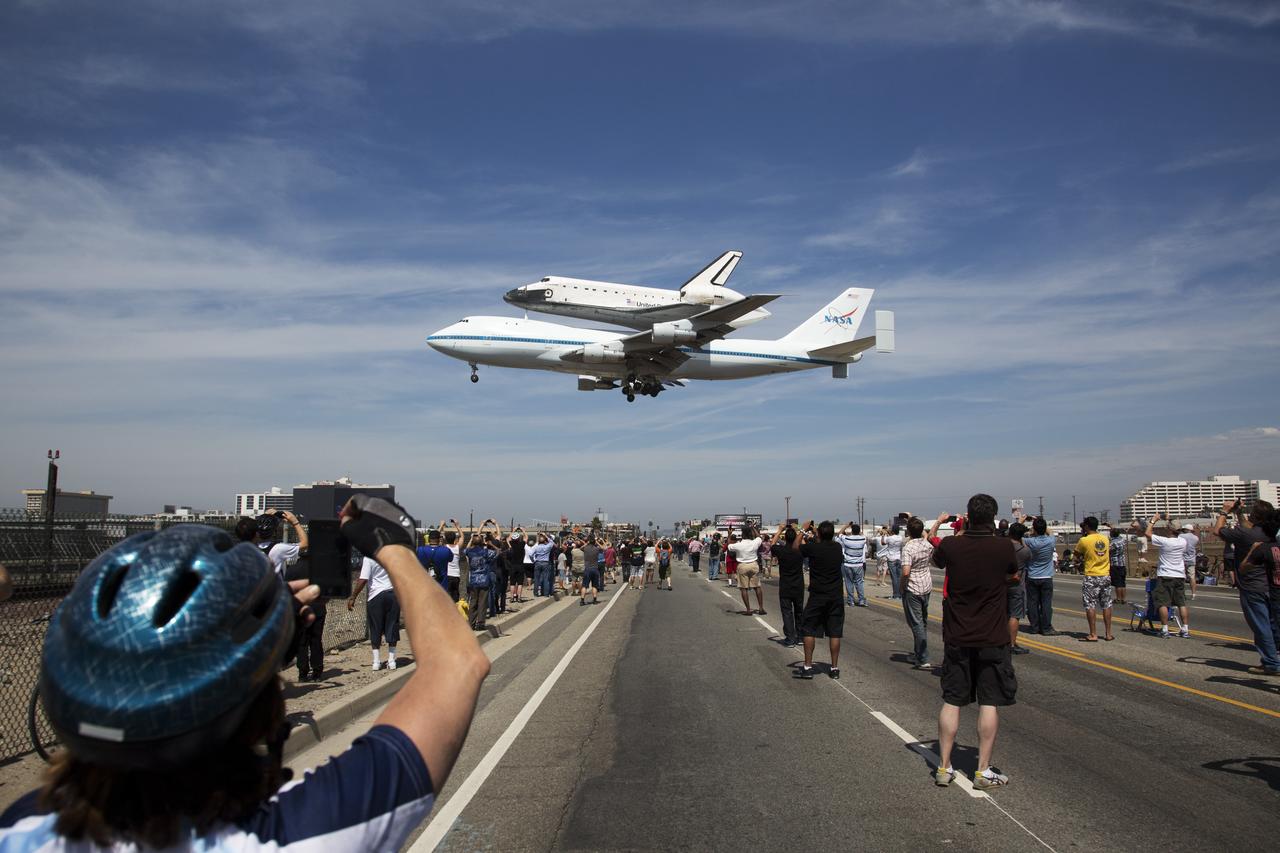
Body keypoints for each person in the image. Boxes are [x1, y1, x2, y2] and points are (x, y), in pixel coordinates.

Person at [0, 494, 488, 851]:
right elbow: (456, 663)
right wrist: (394, 546)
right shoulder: (305, 829)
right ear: (257, 710)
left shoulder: (22, 826)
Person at [932, 494, 1018, 790]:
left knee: (952, 699)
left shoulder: (953, 545)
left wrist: (956, 531)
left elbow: (938, 559)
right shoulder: (1002, 546)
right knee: (989, 701)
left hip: (958, 633)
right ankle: (982, 771)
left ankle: (943, 766)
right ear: (993, 518)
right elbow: (1012, 573)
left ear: (968, 516)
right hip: (992, 635)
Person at [1214, 499, 1280, 675]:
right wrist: (1238, 512)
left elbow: (1218, 531)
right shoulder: (1268, 532)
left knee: (1260, 625)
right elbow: (1247, 527)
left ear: (1256, 516)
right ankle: (1272, 657)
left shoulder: (1245, 534)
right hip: (1271, 584)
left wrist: (1224, 511)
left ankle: (1271, 663)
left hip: (1252, 585)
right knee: (1273, 624)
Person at [795, 521, 845, 680]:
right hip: (835, 596)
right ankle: (835, 667)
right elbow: (825, 538)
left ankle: (808, 666)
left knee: (809, 629)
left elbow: (796, 546)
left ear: (819, 535)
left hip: (818, 595)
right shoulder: (837, 548)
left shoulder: (813, 548)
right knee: (835, 632)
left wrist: (803, 529)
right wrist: (817, 531)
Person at [349, 552, 400, 670]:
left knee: (375, 627)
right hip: (392, 594)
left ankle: (376, 661)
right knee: (392, 625)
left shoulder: (369, 558)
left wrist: (353, 597)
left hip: (375, 596)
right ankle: (392, 660)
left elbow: (362, 580)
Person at [1144, 515, 1190, 638]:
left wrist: (1153, 521)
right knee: (1181, 603)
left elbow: (1147, 533)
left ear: (1170, 530)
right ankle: (1185, 628)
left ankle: (1165, 628)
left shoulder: (1165, 541)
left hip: (1165, 574)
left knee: (1163, 602)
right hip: (1179, 575)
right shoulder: (1183, 542)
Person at [900, 516, 936, 669]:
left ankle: (922, 658)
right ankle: (919, 652)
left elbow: (906, 572)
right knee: (922, 622)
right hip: (926, 585)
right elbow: (929, 535)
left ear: (908, 531)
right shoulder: (927, 544)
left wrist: (901, 586)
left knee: (916, 623)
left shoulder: (908, 547)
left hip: (913, 588)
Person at [233, 509, 308, 578]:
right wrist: (295, 522)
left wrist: (264, 518)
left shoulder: (239, 552)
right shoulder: (277, 549)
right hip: (274, 590)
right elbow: (305, 544)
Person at [1076, 516, 1114, 642]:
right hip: (1105, 574)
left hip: (1091, 575)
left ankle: (1093, 634)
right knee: (1106, 604)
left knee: (1090, 605)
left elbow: (1076, 555)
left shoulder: (1084, 540)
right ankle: (1108, 633)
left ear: (1086, 526)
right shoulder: (1105, 538)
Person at [1023, 517, 1058, 636]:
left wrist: (1026, 524)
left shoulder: (1030, 542)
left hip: (1032, 575)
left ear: (1035, 529)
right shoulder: (1051, 541)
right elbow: (1051, 532)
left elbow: (1016, 533)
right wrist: (1039, 522)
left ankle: (1034, 626)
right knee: (1046, 603)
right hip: (1047, 576)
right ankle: (1046, 627)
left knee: (1032, 603)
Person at [772, 524, 805, 647]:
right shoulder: (800, 550)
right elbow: (804, 542)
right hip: (798, 585)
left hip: (786, 586)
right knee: (799, 611)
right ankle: (800, 637)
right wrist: (799, 531)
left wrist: (780, 530)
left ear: (784, 538)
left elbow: (772, 544)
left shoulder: (781, 550)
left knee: (787, 612)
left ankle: (790, 638)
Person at [465, 522, 500, 630]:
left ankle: (471, 623)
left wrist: (471, 539)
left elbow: (465, 549)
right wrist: (492, 544)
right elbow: (498, 552)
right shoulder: (486, 552)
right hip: (484, 580)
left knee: (473, 602)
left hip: (473, 580)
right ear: (482, 543)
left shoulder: (469, 552)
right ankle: (480, 623)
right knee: (482, 602)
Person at [1006, 520, 1030, 654]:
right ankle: (1012, 644)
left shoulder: (1002, 547)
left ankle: (1003, 641)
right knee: (1015, 615)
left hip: (1002, 583)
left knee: (1004, 613)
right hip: (1016, 584)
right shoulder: (1024, 551)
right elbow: (1028, 557)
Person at [731, 525, 765, 614]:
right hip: (754, 565)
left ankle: (748, 610)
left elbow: (729, 545)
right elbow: (759, 537)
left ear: (742, 535)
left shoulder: (739, 545)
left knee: (744, 588)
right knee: (757, 586)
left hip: (742, 565)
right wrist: (753, 528)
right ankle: (761, 608)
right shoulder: (754, 542)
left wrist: (730, 533)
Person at [837, 522, 869, 607]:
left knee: (849, 582)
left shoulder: (847, 539)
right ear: (859, 531)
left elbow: (839, 533)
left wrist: (846, 525)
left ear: (851, 530)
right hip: (858, 565)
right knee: (859, 583)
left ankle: (850, 601)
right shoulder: (863, 539)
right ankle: (861, 600)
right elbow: (862, 535)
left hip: (848, 564)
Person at [881, 525, 904, 600]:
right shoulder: (900, 538)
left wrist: (883, 534)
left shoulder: (889, 538)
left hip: (891, 559)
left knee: (894, 577)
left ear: (893, 531)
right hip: (899, 558)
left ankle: (896, 594)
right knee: (899, 577)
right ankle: (900, 594)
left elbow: (882, 543)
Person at [1179, 524, 1200, 600]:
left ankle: (1182, 593)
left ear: (1186, 530)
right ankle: (1193, 594)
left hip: (1182, 559)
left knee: (1182, 577)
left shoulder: (1181, 536)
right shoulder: (1196, 538)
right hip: (1191, 559)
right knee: (1192, 577)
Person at [580, 537, 603, 605]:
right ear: (594, 542)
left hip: (587, 569)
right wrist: (597, 542)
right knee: (594, 586)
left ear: (589, 542)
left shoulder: (586, 548)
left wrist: (586, 543)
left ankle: (582, 600)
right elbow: (603, 548)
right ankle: (595, 599)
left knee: (584, 586)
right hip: (595, 569)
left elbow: (580, 548)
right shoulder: (596, 549)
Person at [1109, 529, 1128, 605]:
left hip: (1115, 564)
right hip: (1122, 564)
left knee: (1117, 583)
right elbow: (1119, 536)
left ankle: (1118, 598)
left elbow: (1108, 550)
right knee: (1123, 582)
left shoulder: (1113, 543)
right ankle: (1123, 598)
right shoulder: (1122, 540)